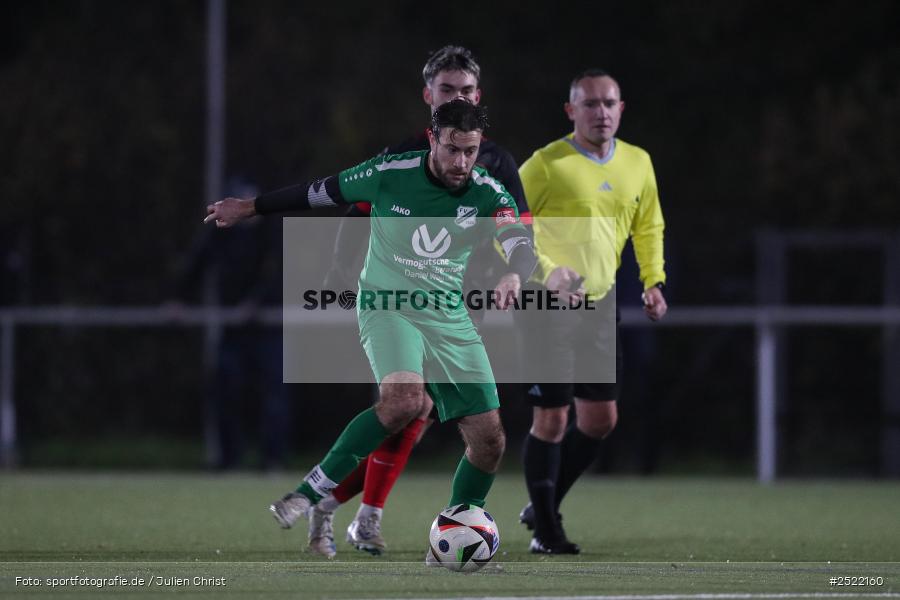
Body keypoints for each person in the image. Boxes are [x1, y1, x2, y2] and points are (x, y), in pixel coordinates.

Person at [204, 98, 536, 562]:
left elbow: (521, 241)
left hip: (448, 315)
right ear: (433, 138)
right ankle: (311, 490)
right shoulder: (388, 171)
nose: (462, 162)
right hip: (388, 305)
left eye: (471, 151)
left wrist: (515, 273)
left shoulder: (487, 190)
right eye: (453, 149)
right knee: (403, 401)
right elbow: (317, 193)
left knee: (489, 440)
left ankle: (460, 524)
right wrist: (252, 207)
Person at [315, 45, 531, 557]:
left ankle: (345, 508)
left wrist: (513, 274)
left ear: (478, 96)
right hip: (408, 298)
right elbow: (358, 210)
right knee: (411, 406)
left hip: (466, 305)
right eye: (446, 89)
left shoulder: (495, 161)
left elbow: (520, 231)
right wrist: (340, 270)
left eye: (465, 90)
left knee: (419, 412)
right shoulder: (403, 157)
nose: (455, 96)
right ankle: (359, 513)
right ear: (428, 97)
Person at [517, 69, 668, 554]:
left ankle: (541, 504)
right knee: (553, 421)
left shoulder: (638, 162)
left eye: (609, 103)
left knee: (601, 420)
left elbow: (648, 226)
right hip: (546, 306)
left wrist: (652, 280)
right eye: (590, 104)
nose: (601, 112)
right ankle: (547, 530)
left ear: (622, 108)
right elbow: (504, 227)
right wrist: (544, 272)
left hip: (599, 306)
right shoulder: (546, 164)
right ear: (571, 111)